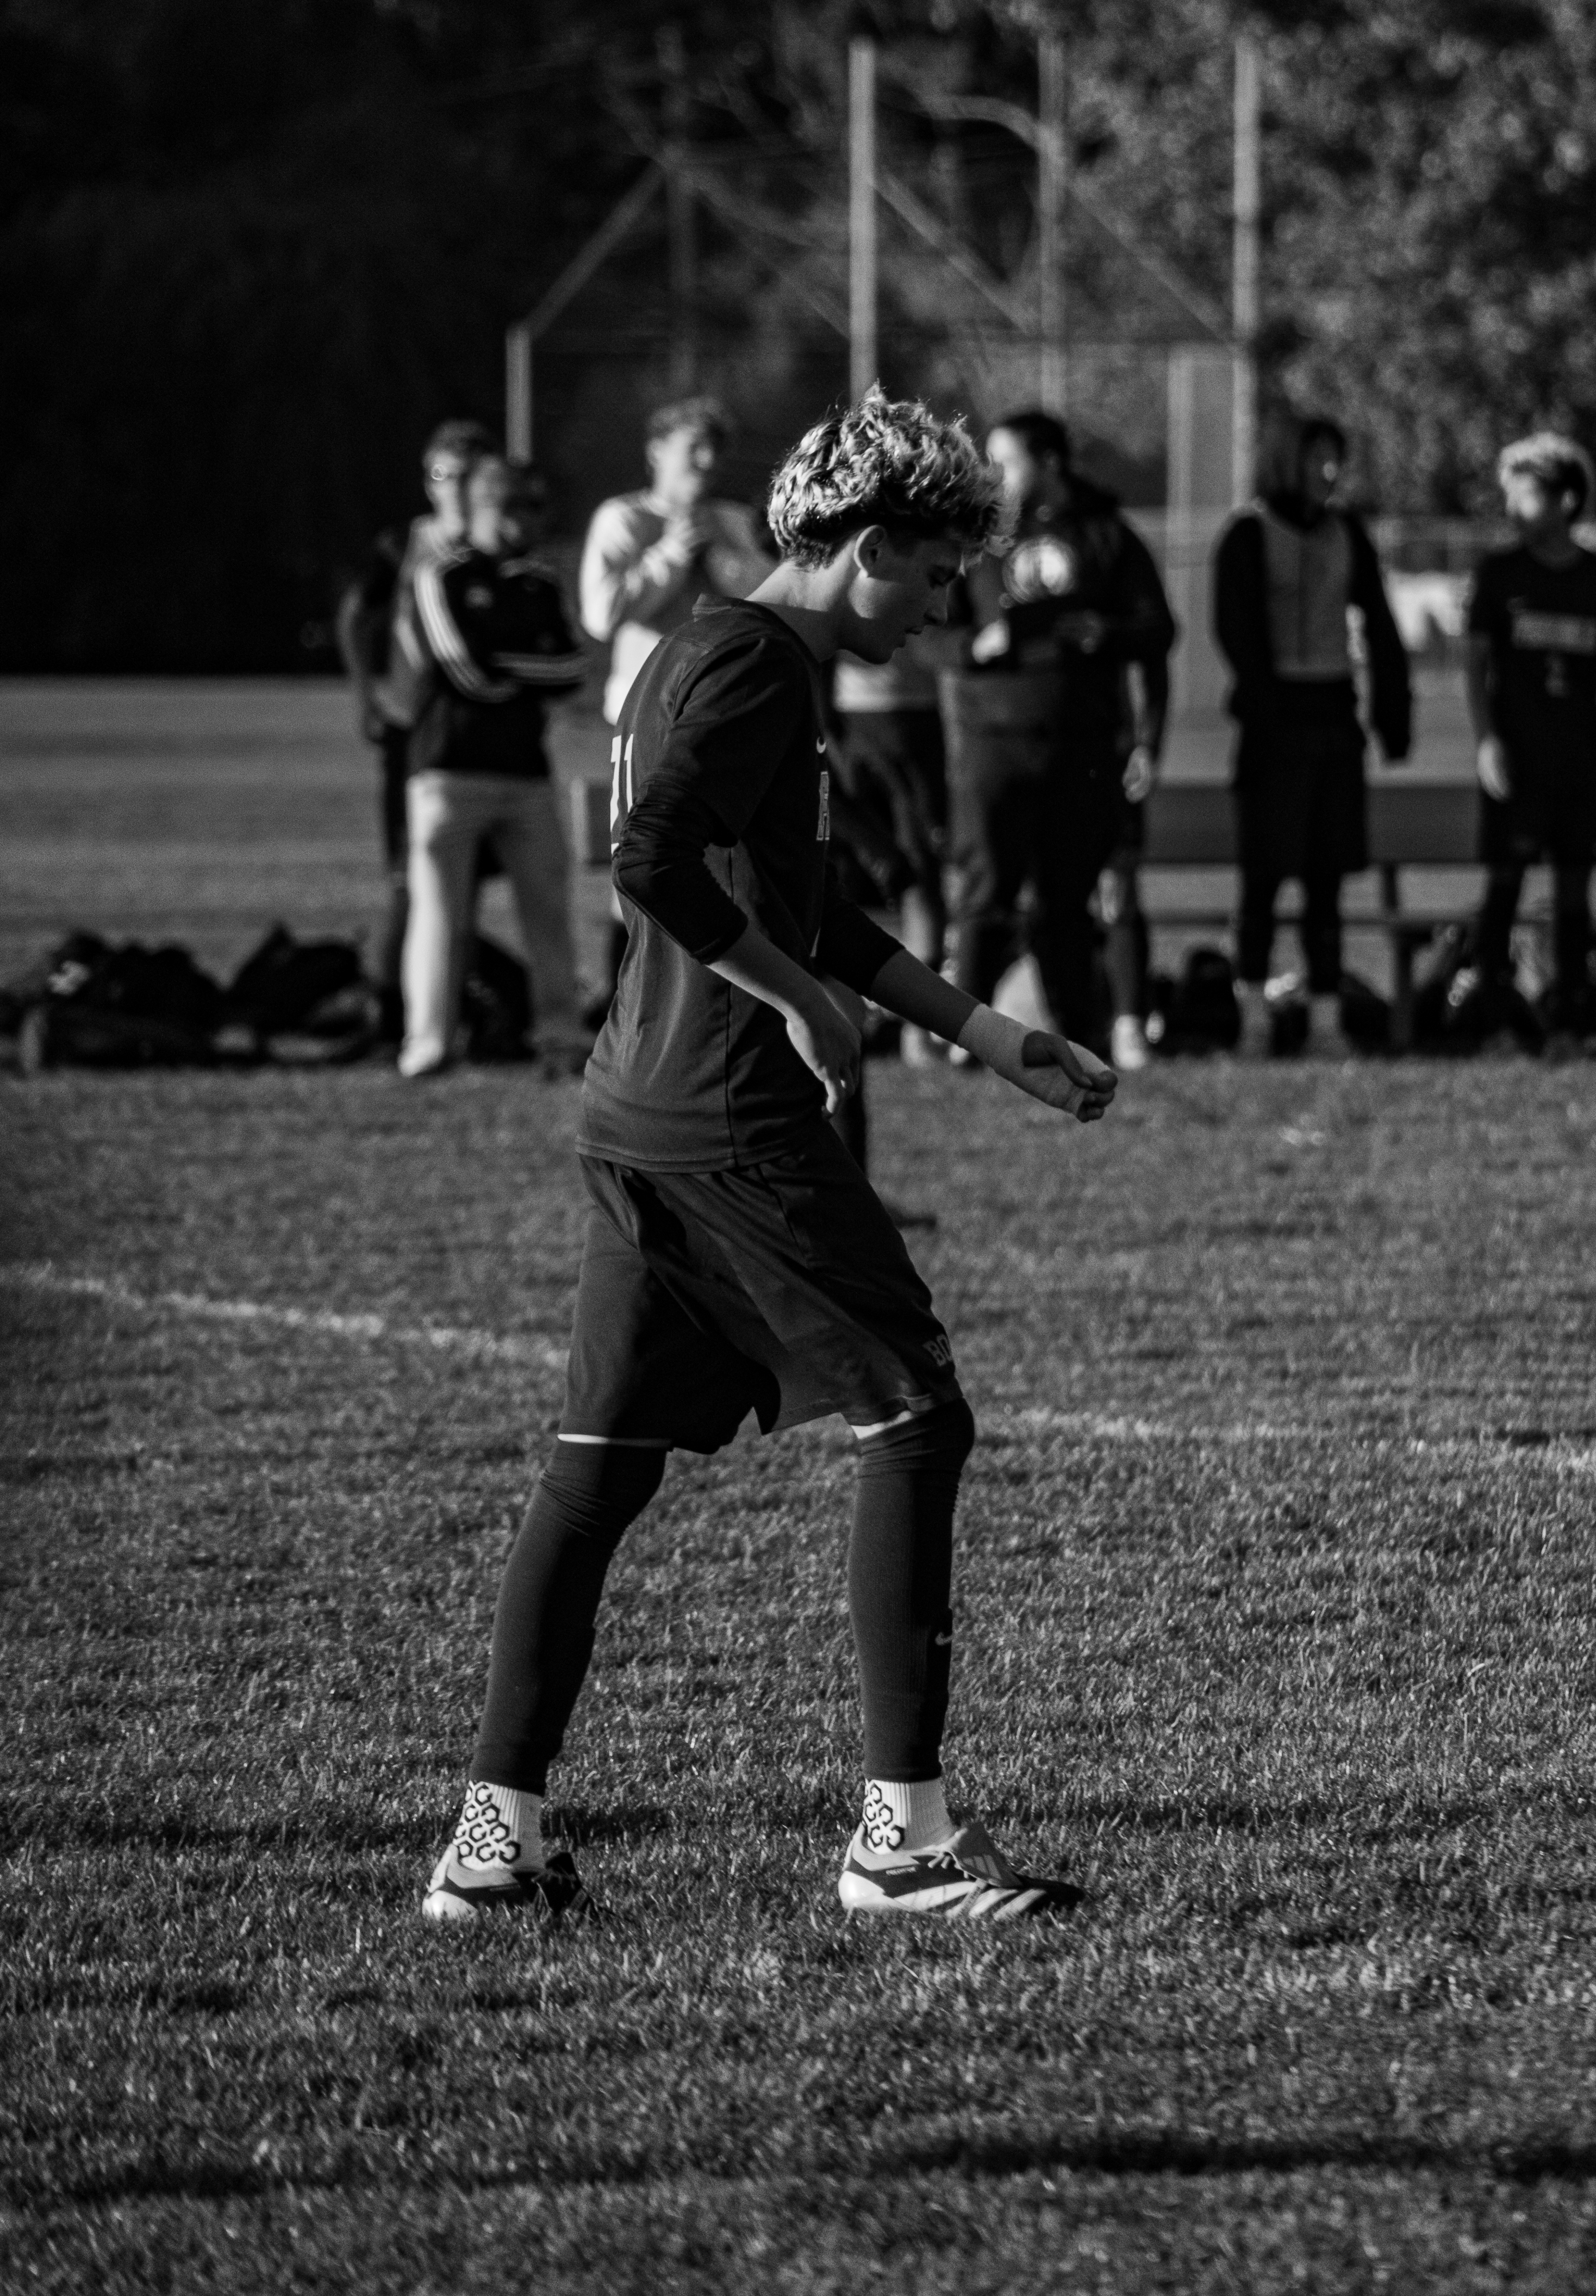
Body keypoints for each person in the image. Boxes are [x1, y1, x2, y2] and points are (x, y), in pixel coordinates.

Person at [422, 387, 1117, 1929]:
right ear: (870, 546)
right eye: (936, 575)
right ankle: (903, 1842)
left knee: (594, 1472)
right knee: (916, 1418)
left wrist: (981, 1028)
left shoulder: (725, 651)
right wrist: (801, 1007)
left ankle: (495, 1841)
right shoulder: (751, 664)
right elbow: (649, 861)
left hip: (639, 1112)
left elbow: (811, 905)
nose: (949, 608)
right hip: (731, 1118)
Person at [943, 410, 1176, 1054]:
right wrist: (973, 645)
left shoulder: (1106, 535)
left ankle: (1083, 1032)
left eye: (1006, 461)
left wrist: (1107, 633)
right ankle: (964, 1032)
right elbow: (925, 636)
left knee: (1065, 903)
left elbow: (1158, 630)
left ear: (1048, 463)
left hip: (1081, 747)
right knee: (984, 895)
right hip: (992, 743)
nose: (994, 476)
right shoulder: (975, 541)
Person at [1214, 409, 1412, 1057]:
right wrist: (1269, 710)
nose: (1328, 473)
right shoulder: (1246, 535)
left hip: (1332, 719)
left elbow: (1379, 626)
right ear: (1283, 463)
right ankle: (1251, 1018)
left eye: (1335, 459)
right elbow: (1235, 630)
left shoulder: (1346, 532)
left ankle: (1326, 1019)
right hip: (1273, 725)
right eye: (1314, 459)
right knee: (1262, 879)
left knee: (1325, 879)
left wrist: (1391, 714)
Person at [398, 456, 588, 1078]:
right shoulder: (442, 574)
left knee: (549, 917)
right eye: (522, 508)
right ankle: (428, 1042)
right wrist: (521, 668)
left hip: (526, 775)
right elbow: (464, 670)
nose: (533, 521)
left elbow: (571, 670)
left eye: (538, 508)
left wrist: (509, 667)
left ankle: (560, 1038)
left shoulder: (540, 582)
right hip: (448, 772)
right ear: (487, 508)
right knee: (440, 916)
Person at [579, 399, 771, 1000]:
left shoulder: (732, 520)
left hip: (723, 714)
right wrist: (666, 557)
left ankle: (717, 993)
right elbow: (600, 613)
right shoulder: (622, 519)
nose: (707, 462)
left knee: (721, 863)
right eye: (694, 448)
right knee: (643, 856)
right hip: (642, 717)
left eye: (716, 450)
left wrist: (717, 556)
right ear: (656, 452)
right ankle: (625, 995)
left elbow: (765, 601)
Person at [336, 420, 493, 1042]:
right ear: (427, 483)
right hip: (412, 729)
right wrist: (363, 691)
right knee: (411, 872)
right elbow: (357, 613)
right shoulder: (407, 544)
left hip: (478, 737)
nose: (454, 489)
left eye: (467, 475)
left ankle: (452, 1003)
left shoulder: (499, 542)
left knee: (468, 875)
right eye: (442, 476)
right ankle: (385, 1003)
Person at [1466, 432, 1596, 1040]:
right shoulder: (1498, 575)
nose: (1512, 511)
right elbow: (1476, 667)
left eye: (1524, 496)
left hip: (1580, 764)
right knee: (1505, 881)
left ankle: (1571, 1009)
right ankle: (1492, 1014)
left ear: (1565, 501)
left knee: (1574, 887)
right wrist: (1486, 740)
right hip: (1519, 761)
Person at [831, 644, 949, 1066]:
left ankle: (918, 1030)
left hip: (911, 710)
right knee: (840, 878)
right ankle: (841, 1019)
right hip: (845, 713)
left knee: (917, 874)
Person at [1096, 654, 1170, 1069]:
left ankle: (1128, 1023)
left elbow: (1155, 650)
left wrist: (1147, 742)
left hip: (1109, 757)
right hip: (1039, 747)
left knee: (1116, 895)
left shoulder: (1116, 609)